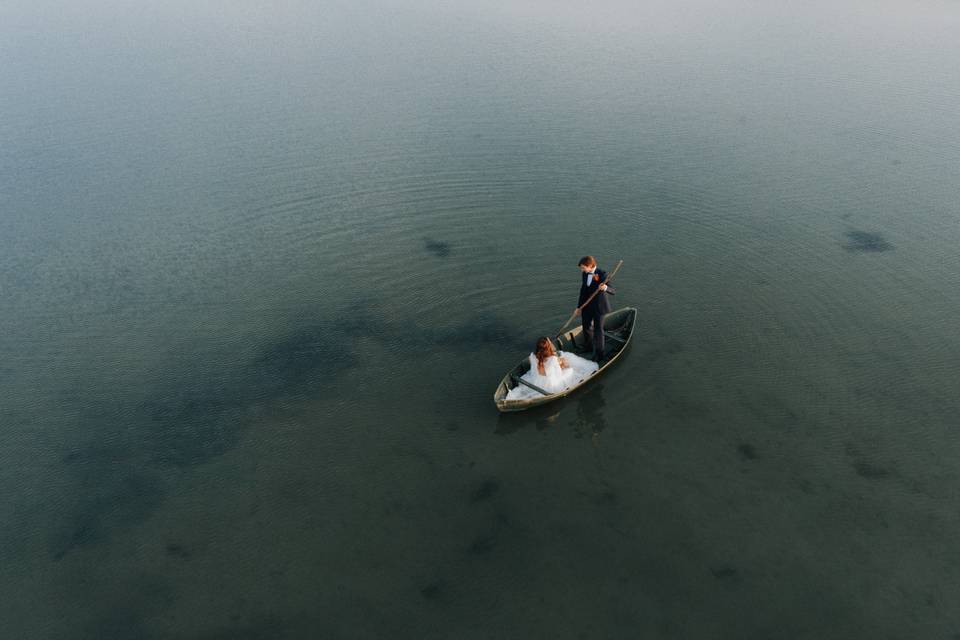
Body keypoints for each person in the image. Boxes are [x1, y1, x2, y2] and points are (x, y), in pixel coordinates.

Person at [505, 337, 599, 401]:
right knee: (570, 369)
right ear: (548, 348)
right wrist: (563, 365)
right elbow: (559, 375)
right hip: (552, 385)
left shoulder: (532, 356)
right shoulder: (553, 359)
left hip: (537, 381)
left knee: (562, 360)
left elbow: (534, 371)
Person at [574, 255, 615, 362]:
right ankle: (588, 347)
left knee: (598, 330)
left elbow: (613, 291)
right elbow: (583, 291)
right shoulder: (584, 274)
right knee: (586, 326)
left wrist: (605, 288)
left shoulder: (603, 274)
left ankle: (600, 354)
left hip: (599, 307)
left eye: (583, 267)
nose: (582, 270)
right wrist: (579, 307)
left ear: (590, 265)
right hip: (587, 306)